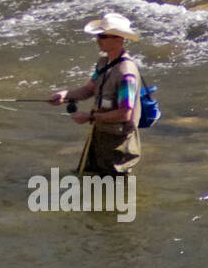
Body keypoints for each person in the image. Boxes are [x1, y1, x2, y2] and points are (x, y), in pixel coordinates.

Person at [47, 12, 142, 175]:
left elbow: (125, 114)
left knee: (112, 190)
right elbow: (90, 89)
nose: (98, 40)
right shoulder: (103, 63)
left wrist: (90, 118)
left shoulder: (127, 74)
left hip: (117, 144)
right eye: (98, 35)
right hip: (100, 135)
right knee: (89, 180)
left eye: (103, 36)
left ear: (119, 39)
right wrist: (66, 96)